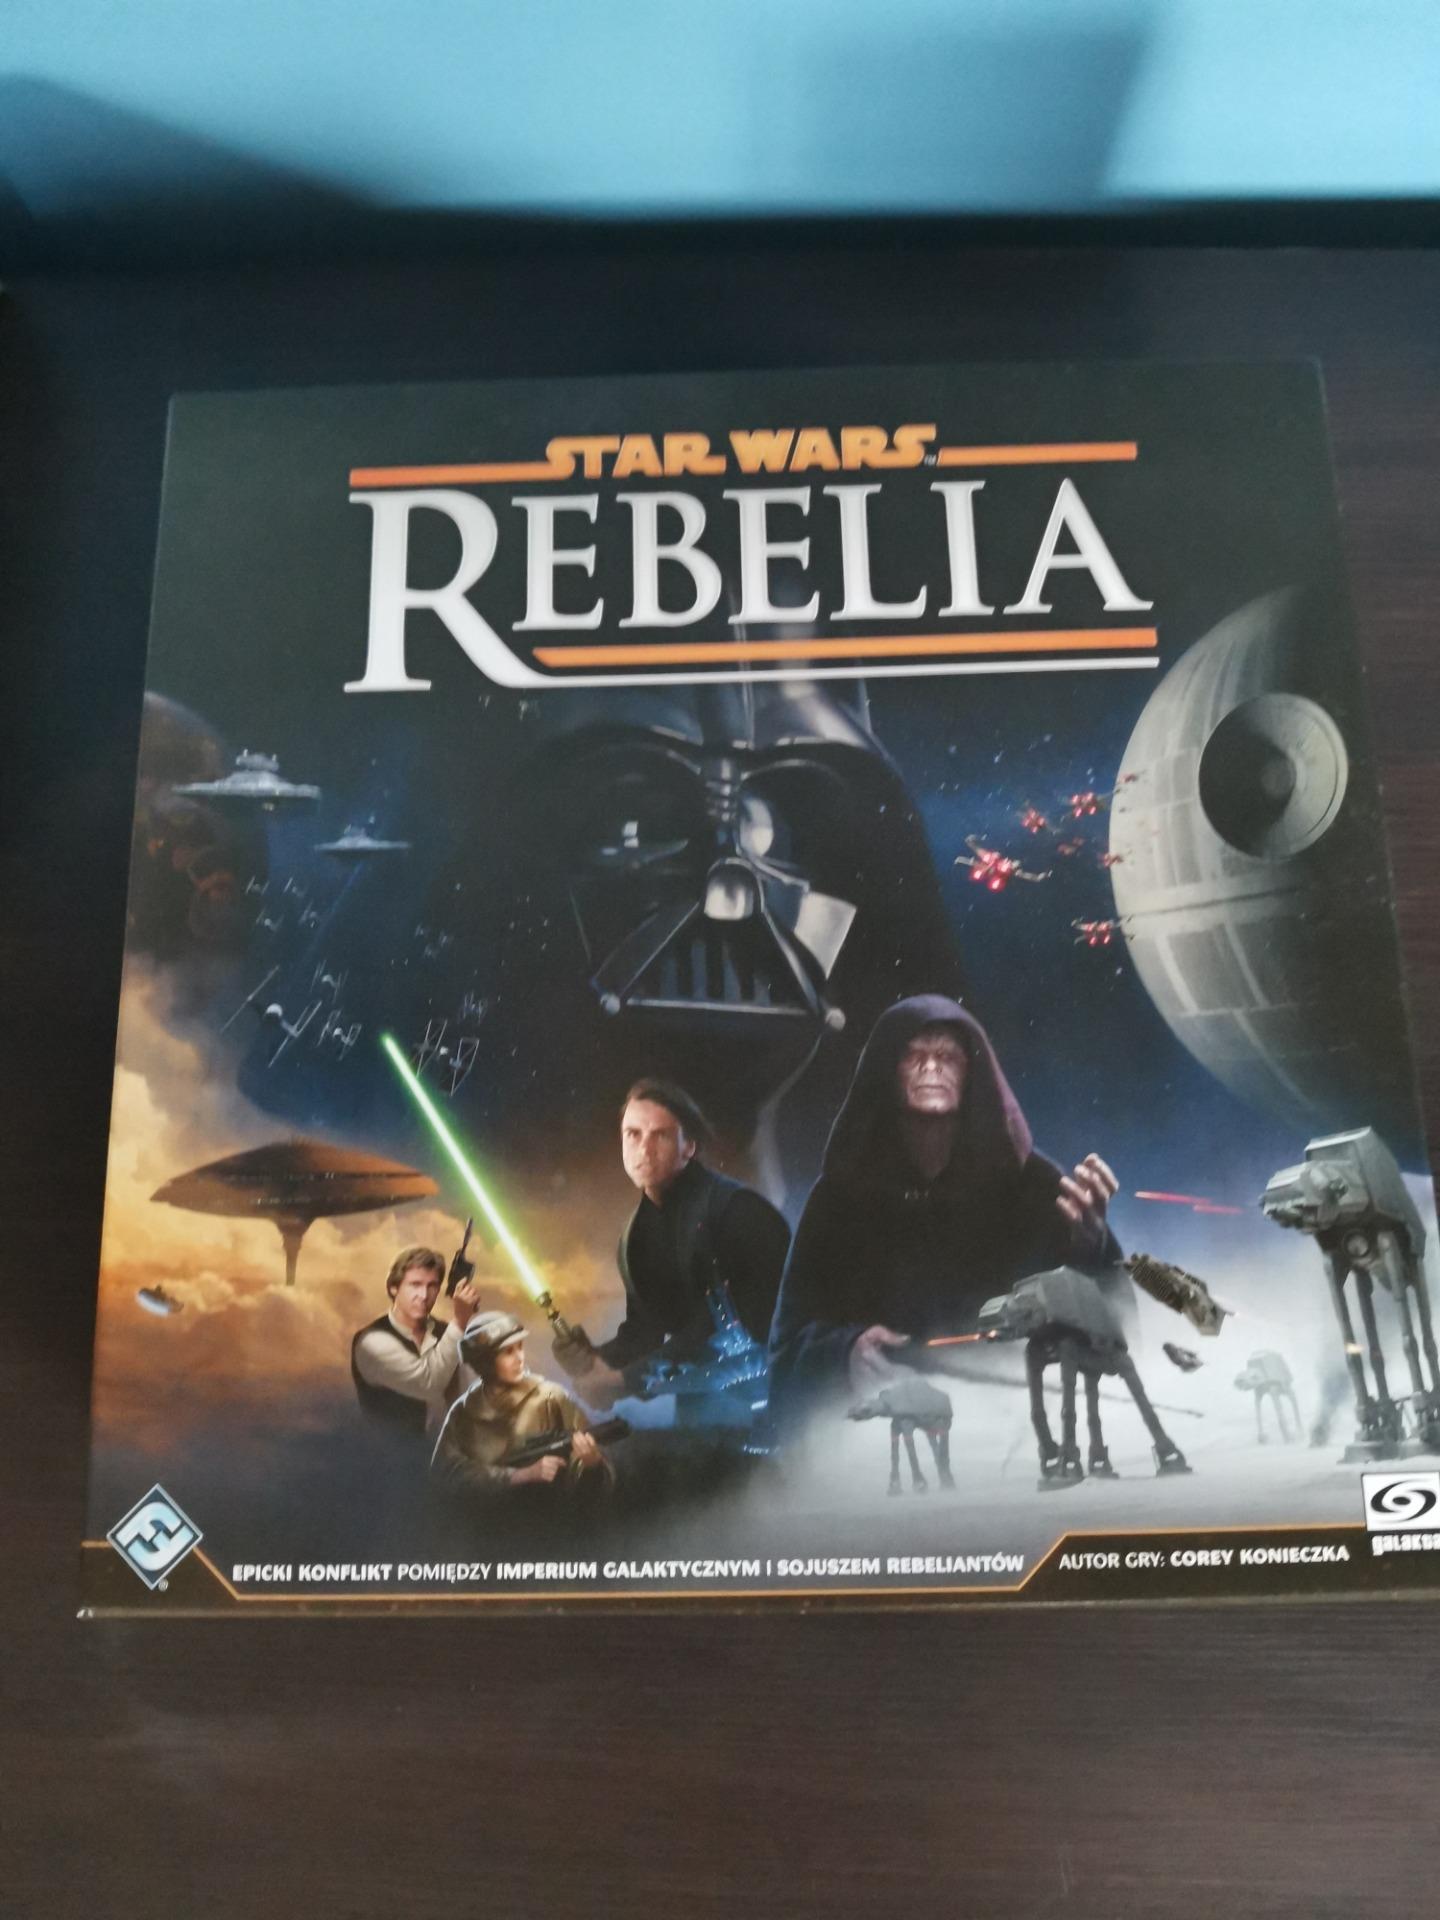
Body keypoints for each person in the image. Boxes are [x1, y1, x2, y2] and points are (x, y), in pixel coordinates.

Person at [768, 994, 1121, 1423]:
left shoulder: (1033, 1185)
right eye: (913, 1055)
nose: (931, 1067)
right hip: (876, 1433)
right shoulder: (841, 1196)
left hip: (1016, 1425)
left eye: (947, 1057)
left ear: (972, 1072)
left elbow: (1113, 1334)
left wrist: (1090, 1248)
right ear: (887, 1070)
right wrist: (845, 1356)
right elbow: (785, 1353)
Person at [560, 1079, 791, 1417]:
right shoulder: (636, 1237)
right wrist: (595, 1360)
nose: (644, 1149)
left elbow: (733, 1329)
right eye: (633, 1134)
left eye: (661, 1136)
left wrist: (623, 1380)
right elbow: (644, 1333)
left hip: (783, 1401)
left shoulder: (739, 1212)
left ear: (689, 1146)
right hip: (704, 1414)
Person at [430, 1311, 606, 1497]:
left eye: (520, 1347)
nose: (519, 1357)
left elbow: (595, 1470)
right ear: (485, 1362)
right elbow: (444, 1473)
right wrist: (517, 1476)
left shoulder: (551, 1397)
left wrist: (592, 1464)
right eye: (508, 1352)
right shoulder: (464, 1411)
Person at [350, 1245, 479, 1439]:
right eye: (415, 1285)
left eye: (432, 1286)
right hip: (389, 1454)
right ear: (394, 1288)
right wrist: (460, 1322)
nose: (424, 1295)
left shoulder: (447, 1333)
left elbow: (471, 1396)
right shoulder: (371, 1342)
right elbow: (428, 1383)